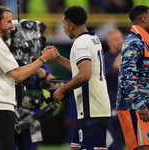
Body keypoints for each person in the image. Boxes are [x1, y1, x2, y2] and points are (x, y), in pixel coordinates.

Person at [0, 5, 59, 150]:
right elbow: (19, 75)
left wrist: (43, 73)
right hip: (0, 109)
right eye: (8, 22)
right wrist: (43, 59)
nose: (11, 27)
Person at [44, 5, 111, 150]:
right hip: (91, 108)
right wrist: (57, 58)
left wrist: (62, 89)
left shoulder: (81, 43)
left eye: (63, 23)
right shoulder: (93, 38)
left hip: (92, 109)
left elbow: (85, 75)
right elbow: (80, 69)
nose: (63, 27)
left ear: (71, 25)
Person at [116, 5, 149, 150]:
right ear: (144, 19)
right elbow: (126, 75)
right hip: (133, 106)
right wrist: (139, 104)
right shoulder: (133, 41)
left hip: (138, 106)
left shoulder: (139, 40)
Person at [104, 28, 125, 150]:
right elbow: (101, 78)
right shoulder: (104, 58)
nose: (120, 42)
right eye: (116, 40)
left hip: (129, 104)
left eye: (121, 38)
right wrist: (115, 67)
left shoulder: (129, 57)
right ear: (109, 43)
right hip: (112, 105)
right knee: (114, 143)